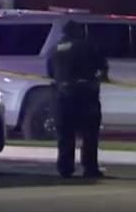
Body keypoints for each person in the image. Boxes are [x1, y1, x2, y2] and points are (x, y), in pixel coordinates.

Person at [46, 20, 108, 178]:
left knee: (65, 135)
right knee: (89, 135)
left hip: (61, 95)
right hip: (85, 96)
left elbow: (50, 73)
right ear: (79, 32)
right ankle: (89, 168)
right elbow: (102, 67)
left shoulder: (54, 49)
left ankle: (65, 168)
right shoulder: (87, 46)